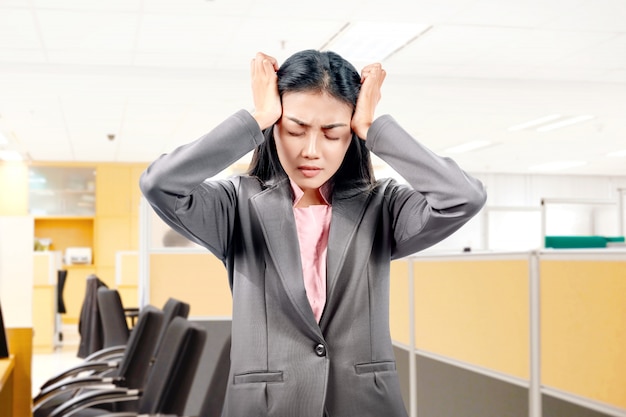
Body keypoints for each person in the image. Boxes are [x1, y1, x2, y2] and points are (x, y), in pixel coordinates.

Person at [140, 49, 487, 417]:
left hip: (365, 405)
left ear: (350, 135)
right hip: (267, 407)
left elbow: (463, 197)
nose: (311, 151)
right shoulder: (235, 206)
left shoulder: (382, 206)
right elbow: (160, 184)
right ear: (275, 127)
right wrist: (256, 119)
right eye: (294, 129)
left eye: (332, 133)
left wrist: (373, 128)